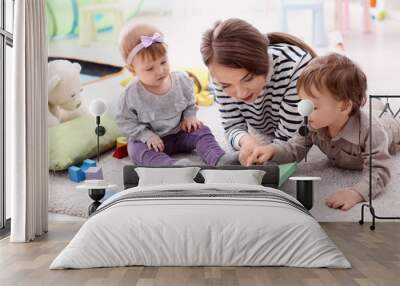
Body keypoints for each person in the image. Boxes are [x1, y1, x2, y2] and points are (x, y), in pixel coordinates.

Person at [249, 53, 400, 211]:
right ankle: (374, 104)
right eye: (302, 102)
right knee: (372, 107)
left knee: (386, 119)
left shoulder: (371, 131)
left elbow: (380, 170)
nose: (303, 111)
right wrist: (272, 150)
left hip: (388, 128)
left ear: (343, 106)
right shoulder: (313, 122)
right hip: (355, 111)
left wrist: (356, 193)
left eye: (313, 106)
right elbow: (295, 149)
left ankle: (376, 106)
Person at [117, 23, 239, 166]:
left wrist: (190, 116)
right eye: (150, 68)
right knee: (135, 150)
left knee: (202, 131)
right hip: (151, 141)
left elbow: (190, 101)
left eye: (163, 62)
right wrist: (146, 136)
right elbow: (125, 122)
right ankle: (172, 167)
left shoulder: (181, 80)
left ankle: (219, 159)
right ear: (132, 69)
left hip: (180, 132)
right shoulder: (130, 95)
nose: (160, 70)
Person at [200, 18, 317, 165]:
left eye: (248, 78)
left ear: (264, 62)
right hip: (266, 124)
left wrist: (269, 151)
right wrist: (245, 140)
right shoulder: (220, 75)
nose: (241, 93)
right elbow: (232, 124)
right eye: (226, 85)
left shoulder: (295, 70)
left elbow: (289, 141)